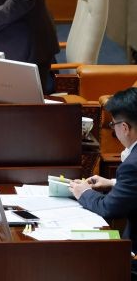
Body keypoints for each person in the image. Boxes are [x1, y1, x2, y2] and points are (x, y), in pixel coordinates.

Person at [70, 87, 137, 279]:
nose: (113, 130)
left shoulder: (132, 165)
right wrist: (114, 183)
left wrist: (84, 192)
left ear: (125, 128)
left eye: (113, 125)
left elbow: (109, 208)